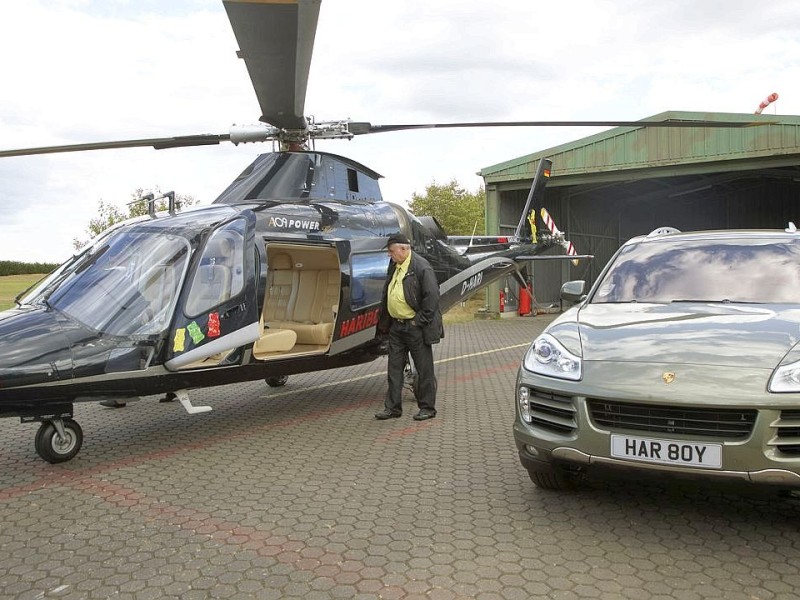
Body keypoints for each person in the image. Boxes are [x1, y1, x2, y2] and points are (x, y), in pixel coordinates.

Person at [375, 233, 443, 421]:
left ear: (404, 249)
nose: (390, 255)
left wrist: (417, 321)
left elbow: (432, 298)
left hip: (415, 327)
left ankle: (428, 408)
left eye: (391, 251)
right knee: (394, 369)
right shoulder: (395, 265)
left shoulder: (421, 267)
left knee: (424, 369)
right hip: (397, 327)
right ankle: (393, 408)